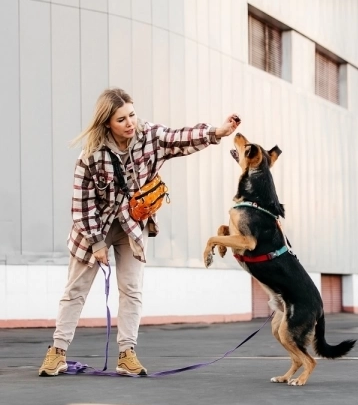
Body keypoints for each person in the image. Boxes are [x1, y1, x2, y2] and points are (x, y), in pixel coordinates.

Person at [38, 87, 241, 377]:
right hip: (95, 224)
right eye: (121, 119)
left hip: (131, 226)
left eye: (132, 114)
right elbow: (82, 206)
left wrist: (218, 132)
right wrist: (96, 244)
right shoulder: (91, 156)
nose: (130, 122)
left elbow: (179, 137)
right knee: (75, 290)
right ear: (107, 122)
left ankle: (126, 355)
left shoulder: (149, 137)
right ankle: (56, 352)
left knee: (131, 290)